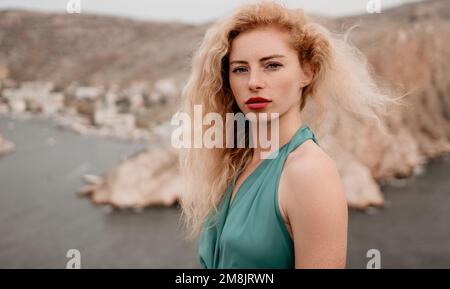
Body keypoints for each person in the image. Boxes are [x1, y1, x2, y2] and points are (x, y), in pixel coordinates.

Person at [178, 1, 400, 269]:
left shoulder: (309, 172)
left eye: (271, 65)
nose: (254, 82)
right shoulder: (236, 163)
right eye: (240, 69)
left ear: (307, 72)